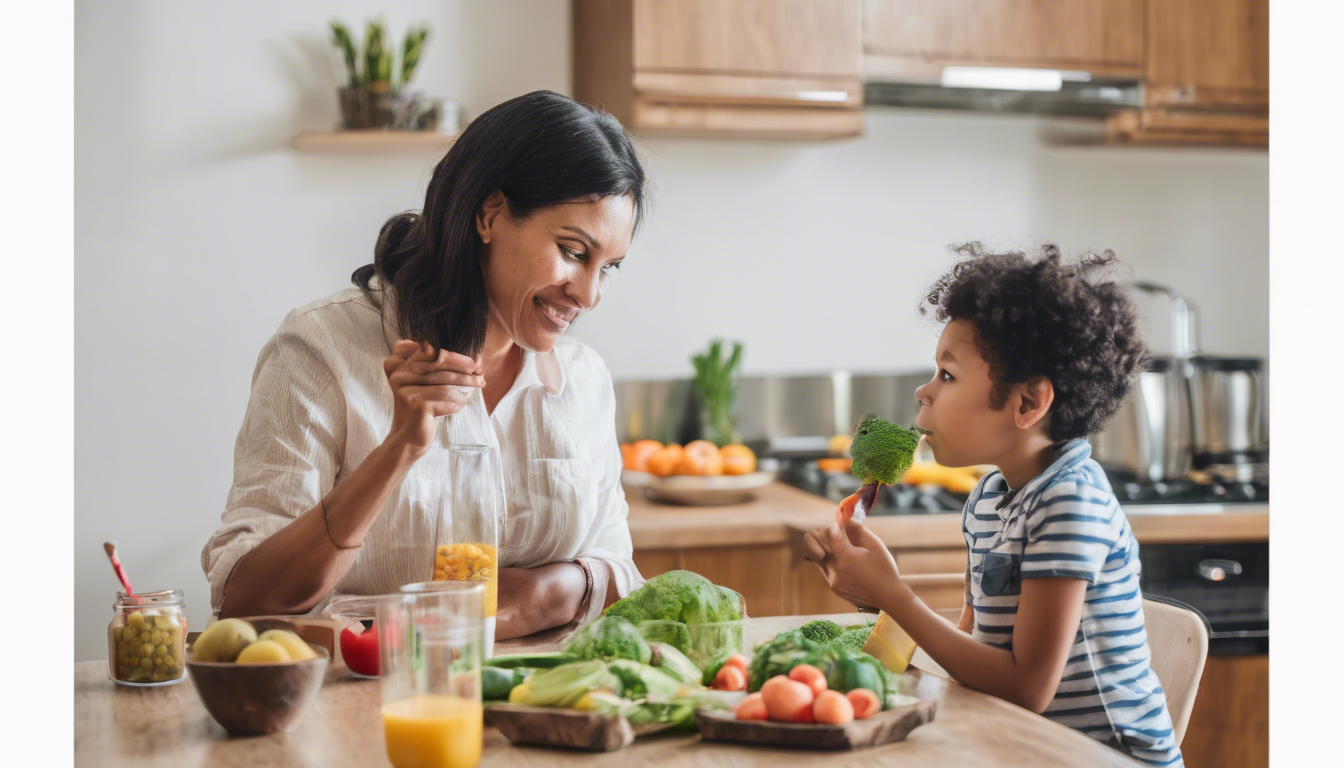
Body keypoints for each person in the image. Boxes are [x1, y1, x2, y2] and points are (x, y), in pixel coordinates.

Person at [201, 91, 648, 640]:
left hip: (539, 706)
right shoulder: (321, 349)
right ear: (490, 215)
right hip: (356, 708)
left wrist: (538, 595)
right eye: (574, 251)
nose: (588, 293)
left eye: (609, 266)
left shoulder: (583, 380)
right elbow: (244, 600)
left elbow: (619, 571)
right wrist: (399, 449)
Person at [804, 244, 1182, 767]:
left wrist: (894, 596)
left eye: (948, 376)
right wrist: (878, 598)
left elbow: (1027, 689)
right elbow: (973, 652)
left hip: (1101, 759)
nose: (924, 390)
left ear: (1026, 403)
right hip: (1022, 746)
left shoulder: (1070, 502)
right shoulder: (990, 498)